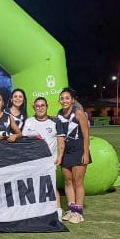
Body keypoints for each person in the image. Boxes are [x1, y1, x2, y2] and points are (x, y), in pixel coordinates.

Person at [22, 97, 65, 221]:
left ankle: (58, 212)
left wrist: (60, 157)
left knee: (51, 186)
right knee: (35, 187)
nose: (40, 108)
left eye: (42, 105)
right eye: (37, 106)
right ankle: (37, 213)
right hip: (34, 162)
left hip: (49, 162)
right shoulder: (29, 121)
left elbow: (61, 141)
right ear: (34, 108)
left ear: (47, 107)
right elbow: (24, 138)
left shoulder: (55, 122)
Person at [56, 87, 91, 224]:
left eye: (67, 98)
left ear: (72, 100)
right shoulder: (59, 113)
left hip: (79, 150)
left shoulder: (78, 113)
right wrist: (60, 156)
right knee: (68, 181)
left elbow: (86, 135)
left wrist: (86, 154)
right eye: (62, 98)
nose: (64, 100)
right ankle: (71, 209)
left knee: (78, 182)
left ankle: (78, 212)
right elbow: (60, 137)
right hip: (67, 151)